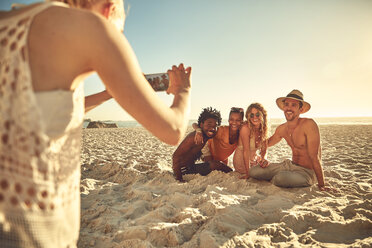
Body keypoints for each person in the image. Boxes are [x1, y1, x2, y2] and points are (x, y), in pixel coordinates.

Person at [0, 0, 191, 247]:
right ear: (108, 9)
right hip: (31, 228)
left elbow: (45, 109)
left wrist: (108, 93)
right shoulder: (94, 27)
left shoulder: (9, 20)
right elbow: (173, 130)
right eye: (118, 32)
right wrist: (183, 90)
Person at [249, 90, 332, 191]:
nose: (289, 108)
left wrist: (321, 184)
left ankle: (281, 178)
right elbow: (266, 143)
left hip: (306, 172)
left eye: (293, 105)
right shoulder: (282, 129)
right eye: (287, 104)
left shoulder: (309, 125)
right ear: (283, 107)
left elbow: (315, 157)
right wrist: (263, 158)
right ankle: (281, 177)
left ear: (300, 109)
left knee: (280, 178)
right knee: (254, 172)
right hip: (289, 165)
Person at [172, 107, 233, 182]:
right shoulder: (193, 137)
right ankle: (233, 173)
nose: (212, 128)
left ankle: (231, 172)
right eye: (209, 124)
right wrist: (179, 178)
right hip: (183, 170)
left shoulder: (205, 136)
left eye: (215, 126)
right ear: (201, 124)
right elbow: (175, 156)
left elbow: (194, 124)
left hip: (190, 167)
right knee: (216, 164)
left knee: (214, 163)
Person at [233, 103, 269, 178]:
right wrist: (248, 172)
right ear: (248, 117)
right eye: (251, 115)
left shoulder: (263, 129)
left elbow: (264, 149)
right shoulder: (245, 129)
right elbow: (246, 151)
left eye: (257, 114)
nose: (254, 117)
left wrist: (263, 159)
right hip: (242, 162)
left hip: (254, 160)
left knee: (268, 168)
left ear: (262, 115)